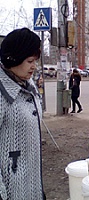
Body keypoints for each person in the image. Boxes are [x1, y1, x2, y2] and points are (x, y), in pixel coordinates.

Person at [0, 28, 46, 199]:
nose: (34, 66)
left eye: (35, 61)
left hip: (32, 184)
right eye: (29, 61)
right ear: (14, 59)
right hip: (10, 190)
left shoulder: (28, 86)